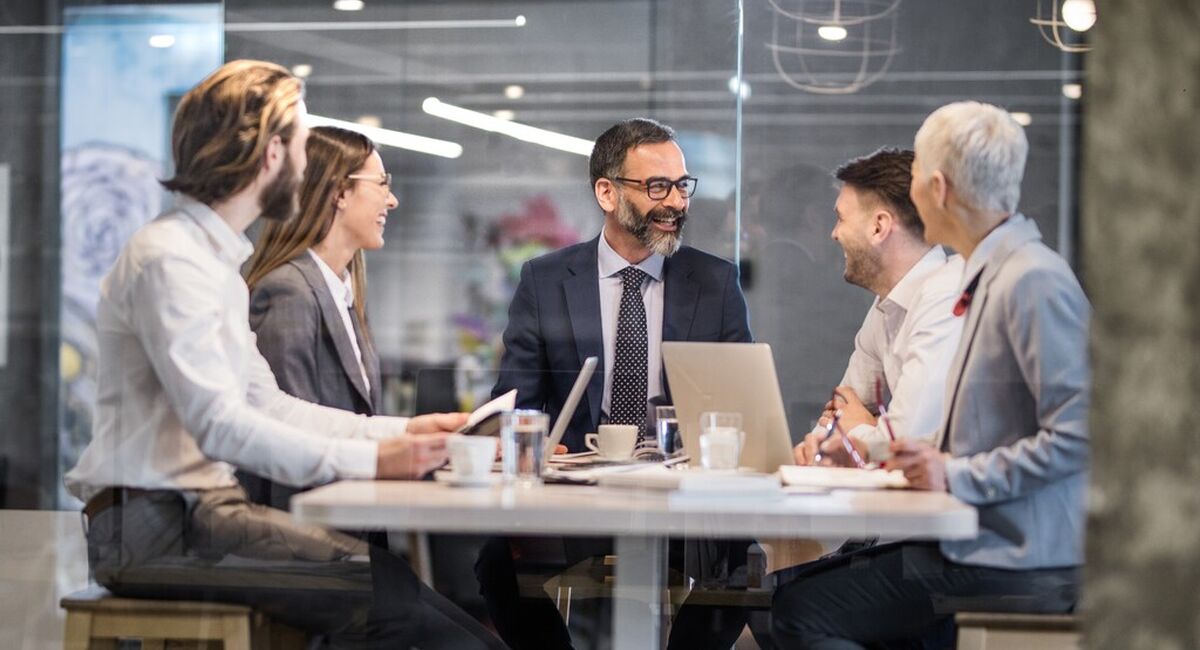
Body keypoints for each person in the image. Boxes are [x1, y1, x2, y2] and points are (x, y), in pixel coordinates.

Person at [64, 60, 504, 649]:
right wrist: (376, 461)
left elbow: (266, 403)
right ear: (270, 154)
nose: (306, 166)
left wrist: (399, 433)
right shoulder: (171, 259)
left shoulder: (211, 260)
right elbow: (220, 426)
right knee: (395, 604)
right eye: (299, 144)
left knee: (395, 587)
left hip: (193, 518)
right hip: (152, 529)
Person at [771, 101, 1089, 648]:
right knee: (796, 589)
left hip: (1017, 552)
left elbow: (1082, 436)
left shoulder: (1030, 279)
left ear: (937, 187)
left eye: (916, 177)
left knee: (804, 610)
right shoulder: (991, 276)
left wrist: (952, 472)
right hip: (985, 536)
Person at [478, 118, 753, 650]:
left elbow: (740, 402)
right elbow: (515, 400)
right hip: (575, 498)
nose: (675, 201)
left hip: (681, 498)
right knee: (495, 556)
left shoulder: (715, 282)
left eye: (681, 185)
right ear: (607, 192)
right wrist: (532, 438)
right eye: (657, 186)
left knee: (741, 555)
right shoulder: (545, 279)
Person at [236, 125, 396, 511]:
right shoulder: (289, 292)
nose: (391, 200)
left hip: (344, 517)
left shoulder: (341, 292)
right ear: (340, 192)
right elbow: (289, 438)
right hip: (307, 527)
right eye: (381, 184)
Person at [792, 147, 964, 467]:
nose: (834, 233)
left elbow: (903, 443)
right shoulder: (886, 304)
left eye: (841, 218)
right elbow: (841, 406)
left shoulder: (946, 297)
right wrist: (814, 446)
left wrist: (860, 429)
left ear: (879, 227)